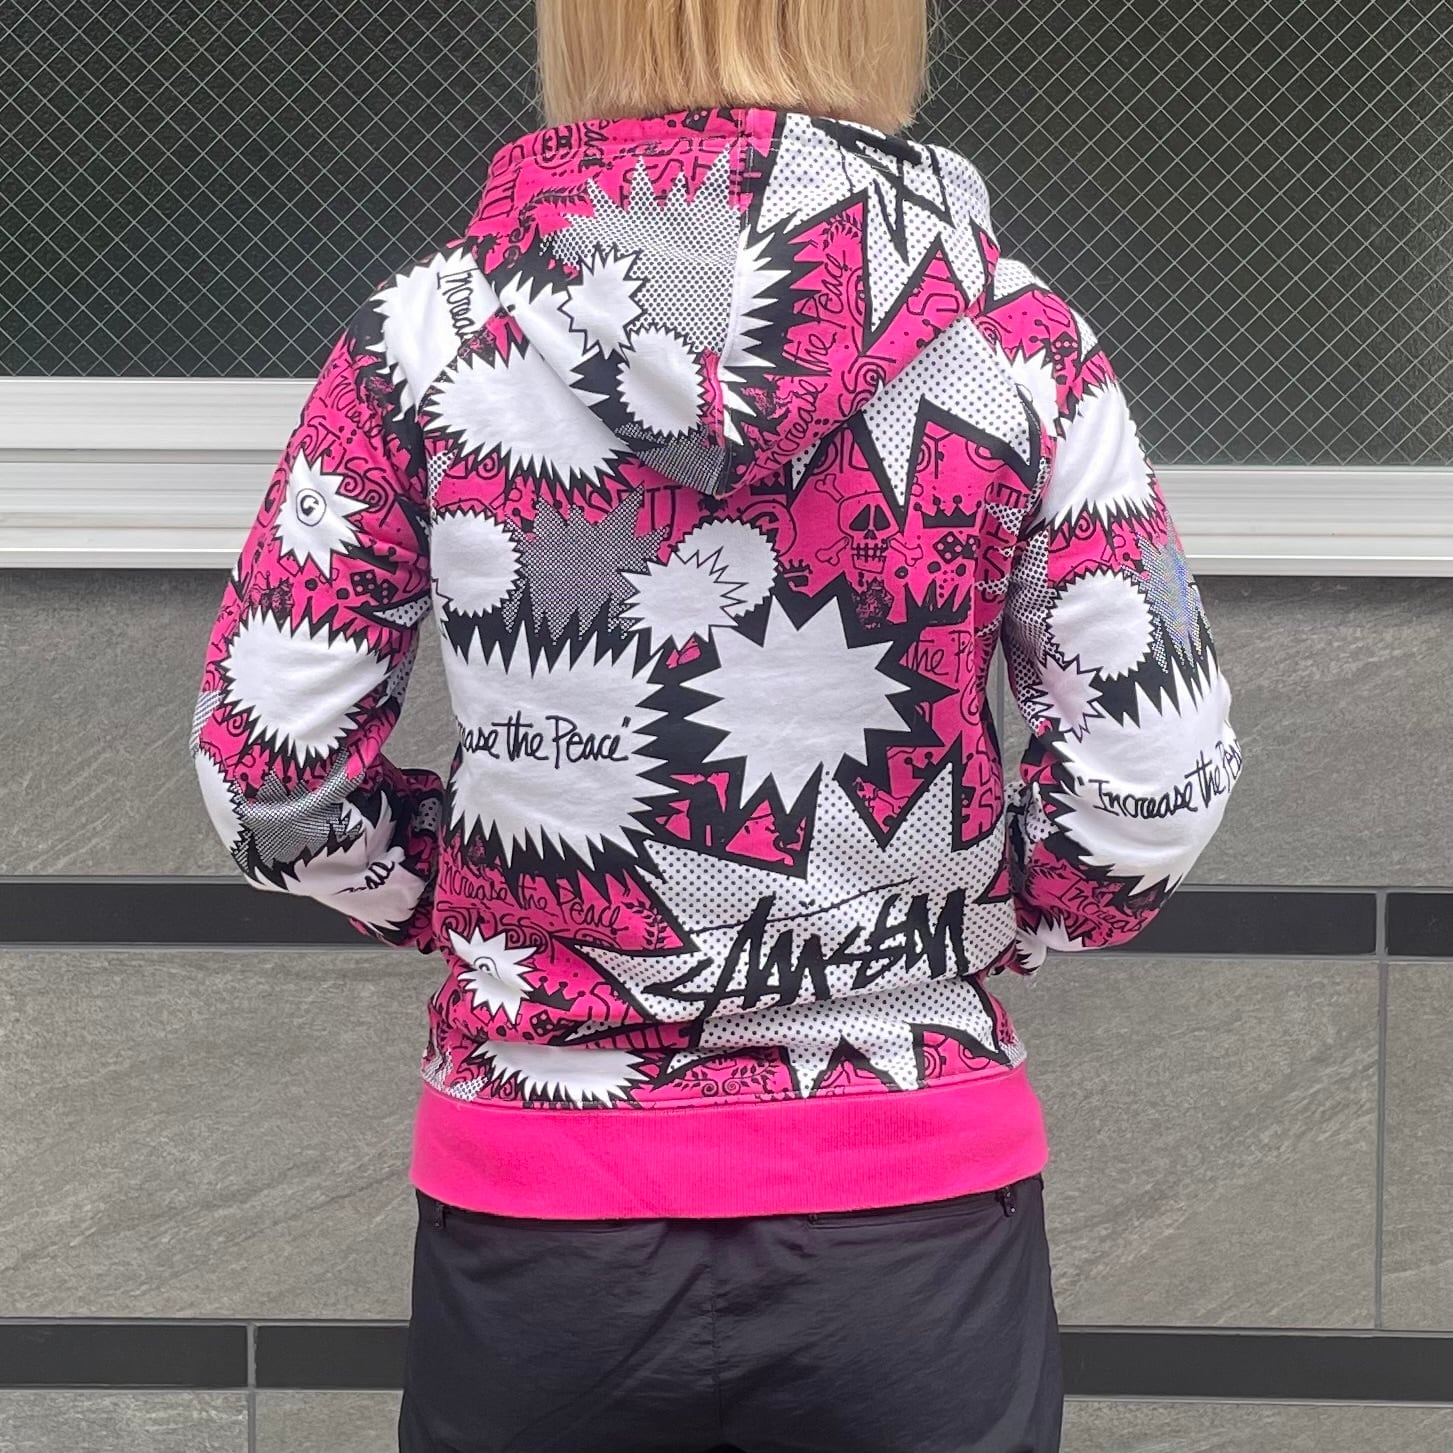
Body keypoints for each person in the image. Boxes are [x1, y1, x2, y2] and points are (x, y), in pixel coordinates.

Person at [189, 1, 1245, 1448]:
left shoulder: (425, 334)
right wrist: (984, 913)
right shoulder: (1017, 339)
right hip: (910, 1202)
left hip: (542, 1203)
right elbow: (1153, 781)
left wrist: (460, 890)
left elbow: (268, 771)